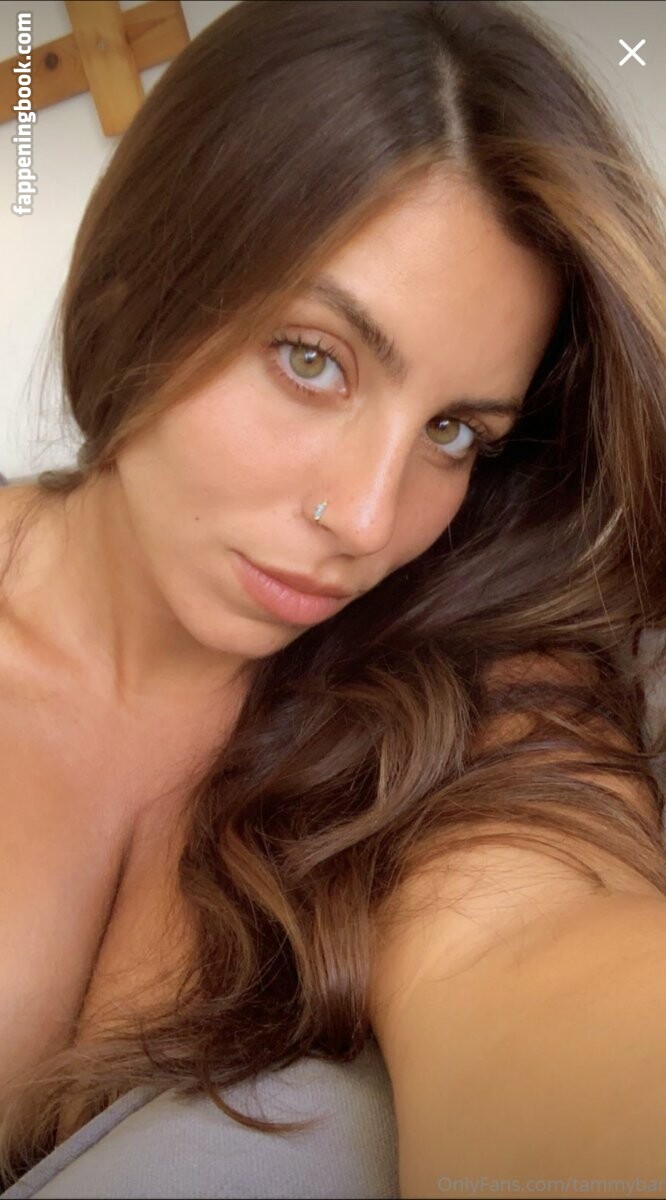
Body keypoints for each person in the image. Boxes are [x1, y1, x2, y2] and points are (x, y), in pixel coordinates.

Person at [1, 1, 665, 1195]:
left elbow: (536, 949)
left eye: (455, 433)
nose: (366, 519)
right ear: (140, 277)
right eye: (312, 359)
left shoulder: (469, 685)